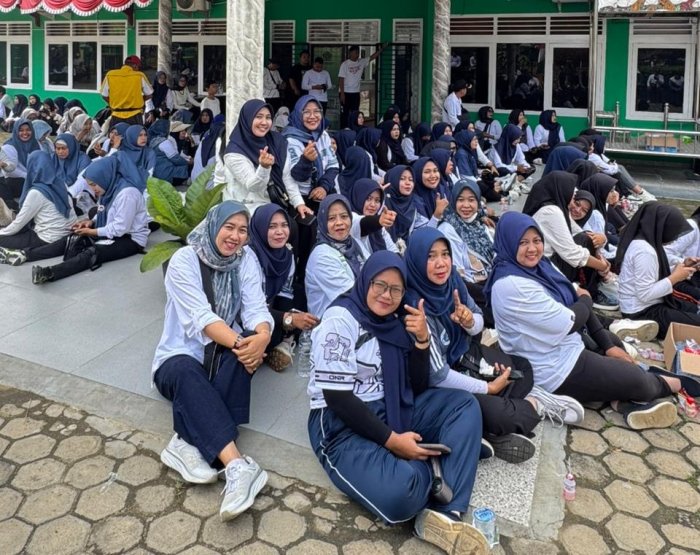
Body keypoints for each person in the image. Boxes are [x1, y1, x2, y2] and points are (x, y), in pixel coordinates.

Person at [307, 250, 489, 553]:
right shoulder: (340, 320)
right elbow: (337, 398)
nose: (386, 295)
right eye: (379, 285)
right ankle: (443, 462)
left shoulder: (396, 320)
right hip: (341, 425)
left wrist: (422, 342)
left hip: (392, 405)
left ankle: (447, 514)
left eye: (395, 289)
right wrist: (392, 441)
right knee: (403, 493)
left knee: (464, 405)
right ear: (365, 281)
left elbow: (416, 385)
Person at [486, 211, 682, 430]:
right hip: (553, 368)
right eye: (523, 242)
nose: (532, 248)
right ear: (508, 242)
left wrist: (607, 345)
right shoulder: (511, 284)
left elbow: (577, 297)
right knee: (640, 381)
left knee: (612, 343)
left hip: (567, 345)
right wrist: (586, 300)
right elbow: (571, 319)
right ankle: (668, 384)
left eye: (537, 240)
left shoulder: (540, 266)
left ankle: (621, 401)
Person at [405, 227, 583, 461]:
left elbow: (478, 321)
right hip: (441, 386)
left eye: (445, 254)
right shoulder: (415, 307)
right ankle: (534, 405)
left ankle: (487, 429)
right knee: (500, 414)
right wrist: (488, 388)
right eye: (431, 256)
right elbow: (438, 376)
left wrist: (469, 321)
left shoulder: (452, 281)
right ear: (417, 260)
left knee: (522, 368)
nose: (441, 263)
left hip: (466, 357)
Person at [153, 201, 273, 521]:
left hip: (222, 353)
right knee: (188, 373)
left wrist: (262, 336)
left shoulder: (245, 260)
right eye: (229, 227)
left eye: (243, 230)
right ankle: (238, 465)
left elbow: (256, 308)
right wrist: (245, 345)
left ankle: (184, 442)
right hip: (179, 357)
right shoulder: (184, 260)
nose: (235, 236)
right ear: (212, 225)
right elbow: (202, 320)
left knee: (248, 347)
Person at [31, 156, 149, 285]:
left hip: (130, 239)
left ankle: (49, 273)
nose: (93, 189)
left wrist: (91, 232)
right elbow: (103, 211)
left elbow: (120, 228)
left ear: (104, 177)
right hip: (113, 231)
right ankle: (27, 255)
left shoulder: (127, 194)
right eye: (90, 185)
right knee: (74, 237)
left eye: (94, 184)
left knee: (94, 252)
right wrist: (90, 222)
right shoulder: (109, 188)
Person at [248, 203, 320, 371]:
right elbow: (250, 308)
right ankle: (283, 341)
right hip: (249, 315)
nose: (280, 232)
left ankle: (285, 340)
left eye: (284, 225)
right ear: (260, 228)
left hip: (270, 307)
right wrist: (288, 319)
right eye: (272, 227)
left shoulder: (286, 254)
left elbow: (285, 294)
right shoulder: (248, 258)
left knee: (302, 296)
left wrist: (290, 317)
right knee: (262, 334)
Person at [523, 171, 611, 302]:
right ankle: (592, 292)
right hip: (544, 266)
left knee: (585, 237)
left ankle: (592, 286)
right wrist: (602, 266)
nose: (573, 199)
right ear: (561, 189)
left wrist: (601, 246)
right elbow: (572, 253)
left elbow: (578, 231)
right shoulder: (551, 211)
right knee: (584, 241)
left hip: (546, 262)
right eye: (573, 195)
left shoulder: (556, 208)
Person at [617, 202, 700, 337]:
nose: (675, 237)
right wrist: (675, 277)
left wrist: (683, 264)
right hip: (640, 312)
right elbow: (645, 294)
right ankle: (633, 326)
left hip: (654, 302)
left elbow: (655, 271)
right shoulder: (644, 251)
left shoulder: (649, 244)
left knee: (694, 308)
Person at [221, 99, 310, 218]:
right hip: (245, 213)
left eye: (268, 117)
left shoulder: (277, 141)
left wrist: (299, 203)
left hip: (276, 207)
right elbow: (253, 186)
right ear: (247, 119)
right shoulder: (234, 152)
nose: (264, 122)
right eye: (259, 117)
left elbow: (287, 177)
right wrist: (264, 167)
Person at [0, 151, 76, 260]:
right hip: (69, 232)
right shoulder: (60, 183)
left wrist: (1, 232)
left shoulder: (36, 192)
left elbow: (19, 224)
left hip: (47, 238)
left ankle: (14, 252)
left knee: (3, 238)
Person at [305, 194, 366, 317]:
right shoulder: (321, 255)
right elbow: (351, 296)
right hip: (334, 322)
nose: (339, 223)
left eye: (344, 216)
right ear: (323, 222)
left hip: (361, 313)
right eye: (331, 218)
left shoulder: (354, 243)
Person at [338, 44, 387, 128]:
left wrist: (381, 49)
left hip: (355, 93)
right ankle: (344, 129)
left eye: (358, 53)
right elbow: (341, 79)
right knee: (345, 113)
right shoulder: (345, 64)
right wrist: (342, 93)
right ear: (350, 53)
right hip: (345, 92)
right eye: (355, 53)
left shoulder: (361, 62)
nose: (357, 55)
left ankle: (354, 128)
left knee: (355, 113)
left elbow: (372, 57)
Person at [348, 177, 398, 257]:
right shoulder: (350, 218)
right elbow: (364, 224)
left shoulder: (379, 226)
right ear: (358, 197)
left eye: (377, 200)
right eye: (368, 199)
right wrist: (379, 221)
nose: (373, 205)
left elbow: (393, 250)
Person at [100, 55, 153, 126]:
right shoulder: (139, 75)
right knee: (135, 133)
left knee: (116, 133)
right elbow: (149, 94)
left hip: (116, 115)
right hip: (135, 116)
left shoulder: (110, 75)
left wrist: (113, 103)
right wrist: (140, 100)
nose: (138, 69)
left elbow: (104, 95)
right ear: (134, 65)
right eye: (138, 67)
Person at [0, 118, 40, 211]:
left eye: (28, 130)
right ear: (15, 131)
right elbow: (11, 171)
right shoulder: (9, 146)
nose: (25, 133)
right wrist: (29, 176)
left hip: (33, 178)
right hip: (15, 180)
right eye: (21, 130)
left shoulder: (36, 143)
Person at [148, 119, 192, 186]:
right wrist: (188, 162)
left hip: (156, 174)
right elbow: (176, 158)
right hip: (165, 175)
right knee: (187, 167)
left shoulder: (154, 140)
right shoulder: (165, 142)